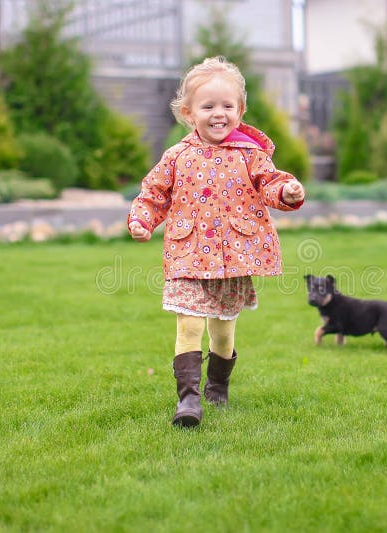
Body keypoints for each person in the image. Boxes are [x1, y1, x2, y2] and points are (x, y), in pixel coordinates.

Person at [128, 56, 305, 427]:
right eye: (208, 106)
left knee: (222, 332)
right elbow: (153, 194)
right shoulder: (177, 157)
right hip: (187, 255)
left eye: (227, 105)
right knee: (189, 324)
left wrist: (286, 191)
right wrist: (141, 219)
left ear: (240, 110)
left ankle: (217, 386)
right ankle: (188, 401)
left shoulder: (250, 154)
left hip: (233, 258)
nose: (218, 113)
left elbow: (269, 184)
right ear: (189, 112)